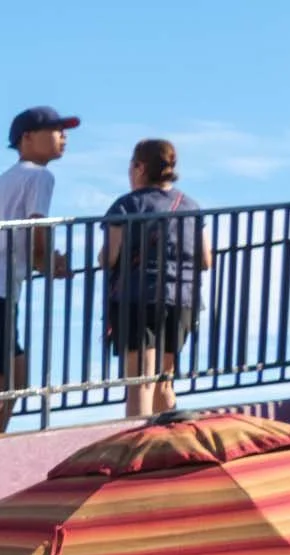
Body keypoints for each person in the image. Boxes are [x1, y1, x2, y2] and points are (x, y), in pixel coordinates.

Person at [0, 107, 80, 439]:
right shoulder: (39, 175)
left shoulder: (6, 178)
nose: (63, 137)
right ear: (27, 138)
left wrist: (44, 261)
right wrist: (51, 264)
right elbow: (36, 229)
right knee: (3, 376)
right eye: (55, 130)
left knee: (14, 374)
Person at [102, 139, 210, 418]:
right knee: (164, 379)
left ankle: (140, 449)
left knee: (140, 382)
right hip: (182, 299)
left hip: (137, 298)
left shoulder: (127, 205)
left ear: (139, 167)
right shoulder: (190, 206)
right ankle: (168, 445)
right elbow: (206, 260)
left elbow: (109, 257)